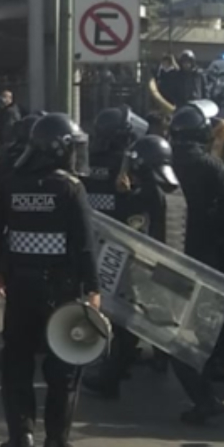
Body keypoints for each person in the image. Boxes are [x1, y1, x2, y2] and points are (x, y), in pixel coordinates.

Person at [0, 113, 99, 447]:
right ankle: (56, 443)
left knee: (16, 362)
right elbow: (84, 243)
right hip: (61, 291)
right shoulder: (70, 188)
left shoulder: (10, 182)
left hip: (20, 286)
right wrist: (93, 289)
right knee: (63, 366)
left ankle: (21, 440)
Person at [83, 135, 180, 399]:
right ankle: (111, 378)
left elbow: (130, 229)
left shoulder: (144, 194)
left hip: (148, 270)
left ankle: (203, 398)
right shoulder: (172, 192)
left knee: (145, 330)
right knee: (138, 328)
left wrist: (124, 194)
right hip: (170, 267)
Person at [168, 100, 224, 423]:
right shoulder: (212, 166)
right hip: (206, 256)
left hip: (166, 255)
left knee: (173, 330)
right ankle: (210, 382)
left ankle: (204, 394)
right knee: (202, 326)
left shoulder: (161, 161)